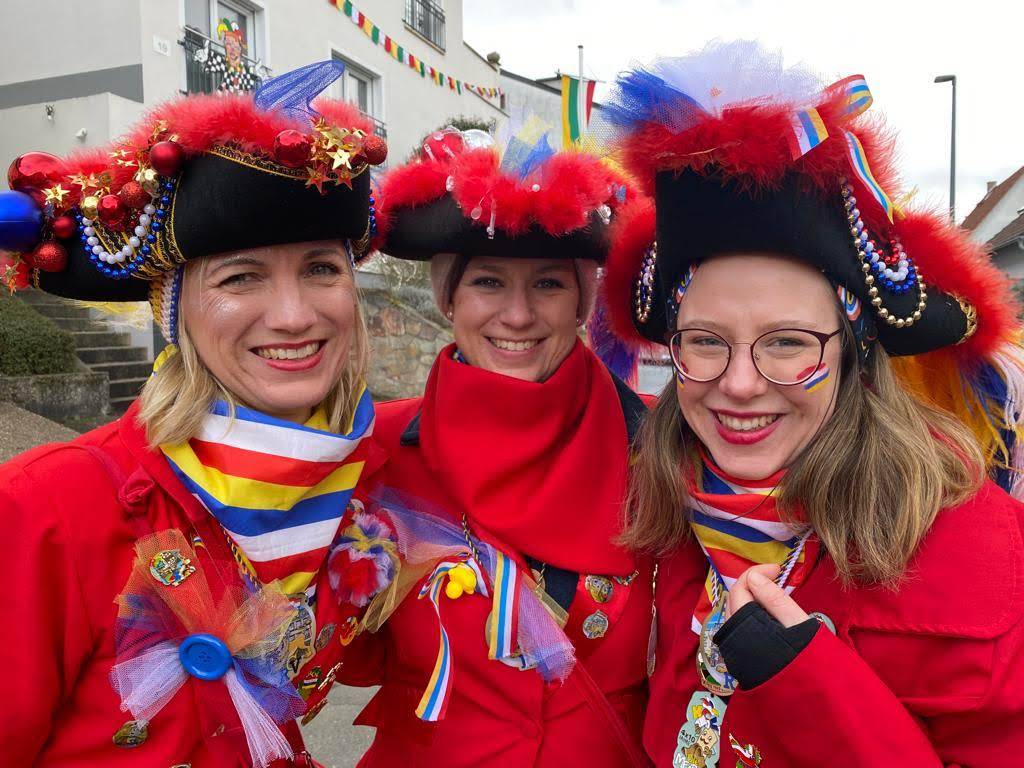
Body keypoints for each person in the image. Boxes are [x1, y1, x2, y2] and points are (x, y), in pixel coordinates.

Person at [601, 42, 1024, 767]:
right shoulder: (657, 517)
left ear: (853, 354)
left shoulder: (985, 558)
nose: (740, 383)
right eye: (705, 341)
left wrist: (809, 686)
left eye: (788, 343)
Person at [0, 61, 394, 767]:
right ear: (174, 312)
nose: (294, 315)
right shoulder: (45, 507)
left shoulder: (362, 478)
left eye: (321, 269)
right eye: (241, 277)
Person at [340, 126, 653, 767]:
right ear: (449, 300)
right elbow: (344, 652)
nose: (517, 315)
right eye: (487, 282)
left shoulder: (658, 447)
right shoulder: (375, 449)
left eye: (549, 284)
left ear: (581, 303)